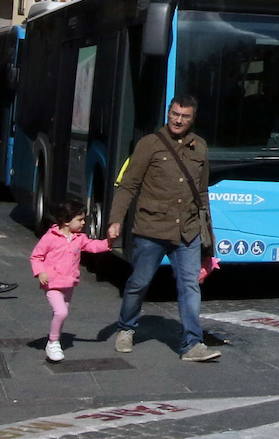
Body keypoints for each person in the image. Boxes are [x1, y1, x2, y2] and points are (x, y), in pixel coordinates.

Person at [107, 95, 221, 362]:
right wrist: (116, 219)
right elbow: (129, 186)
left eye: (184, 116)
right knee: (139, 283)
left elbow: (202, 194)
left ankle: (193, 343)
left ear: (193, 119)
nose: (178, 120)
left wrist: (208, 236)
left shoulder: (200, 147)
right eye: (174, 114)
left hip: (188, 231)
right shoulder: (149, 145)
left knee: (190, 286)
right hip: (152, 229)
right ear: (168, 113)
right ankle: (126, 327)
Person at [30, 199, 112, 362]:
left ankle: (55, 340)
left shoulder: (79, 238)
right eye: (80, 219)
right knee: (61, 312)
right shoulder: (50, 237)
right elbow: (36, 256)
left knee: (60, 314)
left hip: (69, 283)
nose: (84, 223)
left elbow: (93, 246)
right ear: (67, 221)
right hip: (52, 283)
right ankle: (53, 343)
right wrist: (40, 272)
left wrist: (109, 242)